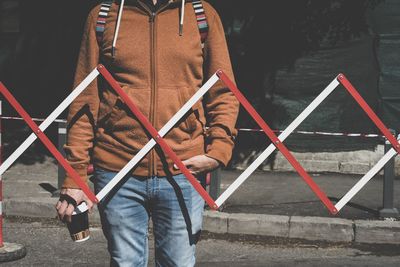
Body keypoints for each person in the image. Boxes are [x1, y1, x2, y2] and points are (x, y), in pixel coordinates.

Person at [56, 0, 239, 266]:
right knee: (125, 262)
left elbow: (223, 90)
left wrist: (218, 151)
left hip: (183, 170)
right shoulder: (103, 16)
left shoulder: (201, 15)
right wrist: (75, 176)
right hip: (117, 169)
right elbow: (85, 99)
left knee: (179, 262)